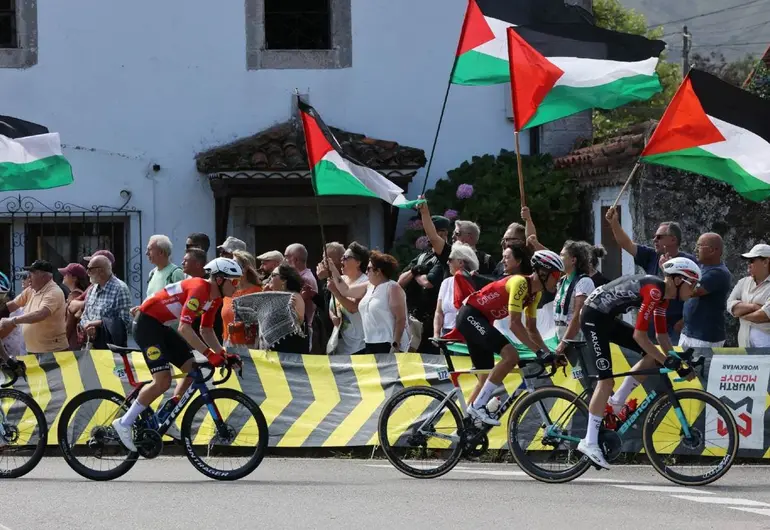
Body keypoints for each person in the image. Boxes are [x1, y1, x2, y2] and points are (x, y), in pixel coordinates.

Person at [577, 257, 700, 469]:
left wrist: (678, 361)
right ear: (678, 280)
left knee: (651, 355)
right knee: (605, 382)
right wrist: (672, 363)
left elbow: (662, 339)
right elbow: (639, 336)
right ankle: (589, 442)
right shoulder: (654, 291)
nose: (695, 289)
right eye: (693, 283)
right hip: (593, 318)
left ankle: (616, 403)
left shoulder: (663, 297)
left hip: (605, 318)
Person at [111, 257, 243, 452]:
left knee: (192, 370)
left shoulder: (215, 298)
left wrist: (222, 354)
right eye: (234, 281)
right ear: (220, 280)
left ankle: (167, 413)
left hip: (161, 325)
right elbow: (184, 328)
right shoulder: (200, 289)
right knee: (162, 381)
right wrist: (208, 353)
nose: (236, 286)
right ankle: (124, 422)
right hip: (146, 325)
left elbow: (206, 330)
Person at [454, 250, 564, 426]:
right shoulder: (520, 283)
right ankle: (478, 406)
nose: (558, 280)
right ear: (543, 274)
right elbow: (514, 324)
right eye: (556, 275)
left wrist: (547, 352)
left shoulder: (536, 294)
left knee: (485, 376)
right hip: (470, 316)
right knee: (511, 356)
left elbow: (531, 328)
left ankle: (467, 426)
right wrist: (538, 352)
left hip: (482, 320)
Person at [605, 209, 695, 344]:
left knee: (671, 360)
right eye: (654, 236)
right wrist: (614, 223)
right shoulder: (652, 255)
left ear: (673, 239)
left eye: (659, 237)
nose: (654, 240)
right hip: (650, 322)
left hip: (674, 326)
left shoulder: (688, 263)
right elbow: (626, 244)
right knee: (650, 360)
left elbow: (696, 294)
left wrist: (684, 321)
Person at [329, 251, 409, 353]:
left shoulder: (392, 287)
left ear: (378, 271)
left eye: (369, 269)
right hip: (370, 343)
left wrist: (395, 345)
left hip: (389, 344)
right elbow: (345, 290)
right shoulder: (369, 286)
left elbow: (400, 319)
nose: (366, 272)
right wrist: (332, 268)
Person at [0, 260, 68, 354]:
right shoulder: (31, 290)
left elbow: (41, 314)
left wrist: (13, 320)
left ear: (44, 277)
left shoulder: (53, 292)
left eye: (32, 274)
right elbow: (12, 306)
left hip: (52, 351)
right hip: (33, 350)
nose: (28, 277)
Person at [680, 233, 732, 348]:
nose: (695, 250)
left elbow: (689, 292)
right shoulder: (701, 268)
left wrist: (669, 272)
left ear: (712, 250)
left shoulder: (718, 273)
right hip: (688, 333)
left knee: (699, 366)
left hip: (704, 338)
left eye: (699, 246)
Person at [326, 242, 370, 355]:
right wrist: (333, 316)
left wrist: (335, 291)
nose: (342, 260)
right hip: (342, 346)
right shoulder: (341, 280)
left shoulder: (365, 282)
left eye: (346, 257)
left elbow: (354, 308)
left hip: (360, 345)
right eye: (342, 257)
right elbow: (333, 305)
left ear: (358, 262)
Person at [553, 241, 595, 355]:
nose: (559, 257)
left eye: (562, 255)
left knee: (580, 372)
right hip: (561, 334)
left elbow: (578, 316)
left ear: (573, 260)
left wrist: (564, 342)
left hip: (576, 339)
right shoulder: (562, 281)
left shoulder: (584, 281)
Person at [727, 244, 770, 347]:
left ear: (765, 262)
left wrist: (741, 315)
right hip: (744, 344)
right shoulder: (743, 282)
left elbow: (764, 315)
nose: (748, 264)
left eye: (752, 261)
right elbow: (730, 306)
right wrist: (754, 307)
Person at [434, 243, 479, 338]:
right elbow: (439, 312)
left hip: (467, 334)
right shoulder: (446, 283)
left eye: (450, 259)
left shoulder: (475, 281)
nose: (447, 262)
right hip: (446, 334)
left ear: (461, 262)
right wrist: (436, 334)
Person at [221, 250, 263, 347]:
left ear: (245, 268)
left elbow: (260, 322)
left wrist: (238, 327)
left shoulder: (257, 292)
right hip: (227, 343)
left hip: (250, 346)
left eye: (234, 264)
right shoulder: (227, 291)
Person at [265, 264, 309, 353]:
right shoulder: (275, 298)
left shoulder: (294, 296)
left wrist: (292, 310)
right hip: (275, 351)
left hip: (290, 353)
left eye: (273, 275)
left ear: (283, 280)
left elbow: (299, 322)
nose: (270, 278)